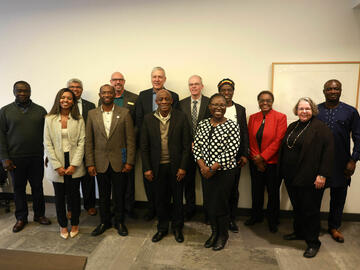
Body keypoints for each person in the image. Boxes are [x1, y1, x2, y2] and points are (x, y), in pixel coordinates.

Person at [279, 97, 334, 258]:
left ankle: (313, 243)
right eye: (301, 109)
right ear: (296, 111)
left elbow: (329, 153)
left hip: (310, 178)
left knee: (310, 211)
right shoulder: (292, 126)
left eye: (307, 109)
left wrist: (322, 175)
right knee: (298, 208)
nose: (304, 111)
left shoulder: (321, 128)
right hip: (292, 177)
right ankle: (299, 232)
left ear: (313, 110)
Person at [0, 81, 51, 233]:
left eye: (25, 91)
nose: (22, 93)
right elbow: (1, 136)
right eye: (19, 91)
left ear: (30, 91)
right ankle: (21, 218)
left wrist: (47, 155)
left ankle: (39, 215)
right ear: (14, 91)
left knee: (37, 187)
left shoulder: (40, 110)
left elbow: (47, 136)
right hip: (15, 159)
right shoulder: (5, 111)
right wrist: (4, 158)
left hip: (36, 157)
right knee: (19, 189)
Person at [85, 84, 136, 237]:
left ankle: (119, 222)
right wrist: (90, 163)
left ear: (114, 94)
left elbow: (130, 140)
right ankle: (104, 222)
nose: (107, 95)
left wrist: (129, 162)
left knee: (119, 194)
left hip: (119, 162)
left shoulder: (125, 113)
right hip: (100, 162)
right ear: (100, 94)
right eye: (104, 92)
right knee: (103, 195)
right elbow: (89, 141)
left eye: (110, 92)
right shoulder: (92, 114)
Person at [141, 89, 190, 243]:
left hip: (176, 166)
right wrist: (147, 168)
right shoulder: (148, 118)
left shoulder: (181, 117)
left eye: (166, 99)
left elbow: (186, 145)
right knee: (160, 199)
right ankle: (162, 228)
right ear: (156, 101)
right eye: (160, 99)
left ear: (171, 101)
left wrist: (183, 167)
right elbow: (144, 147)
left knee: (177, 198)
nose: (163, 102)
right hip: (157, 167)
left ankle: (177, 228)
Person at [193, 93, 240, 251]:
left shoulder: (232, 125)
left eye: (222, 104)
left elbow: (231, 151)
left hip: (224, 172)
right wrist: (202, 167)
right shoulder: (203, 123)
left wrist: (212, 168)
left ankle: (223, 235)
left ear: (226, 107)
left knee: (221, 204)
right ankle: (214, 233)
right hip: (205, 171)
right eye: (215, 104)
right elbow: (197, 147)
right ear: (209, 107)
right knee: (209, 203)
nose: (218, 107)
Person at [317, 79, 360, 243]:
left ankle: (334, 227)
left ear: (340, 90)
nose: (333, 91)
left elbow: (358, 136)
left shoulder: (350, 111)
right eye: (329, 89)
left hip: (341, 163)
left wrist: (354, 159)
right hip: (318, 163)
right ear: (324, 91)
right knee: (314, 196)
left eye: (336, 89)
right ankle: (313, 226)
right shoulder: (317, 110)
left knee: (338, 197)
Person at [136, 67, 180, 221]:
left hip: (168, 149)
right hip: (149, 146)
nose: (157, 79)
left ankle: (167, 213)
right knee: (149, 180)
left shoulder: (174, 96)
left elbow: (177, 121)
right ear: (151, 78)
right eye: (154, 76)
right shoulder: (142, 95)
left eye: (160, 77)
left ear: (164, 79)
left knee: (168, 186)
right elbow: (139, 120)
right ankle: (152, 208)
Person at [44, 88, 85, 239]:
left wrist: (74, 164)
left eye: (69, 98)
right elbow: (47, 143)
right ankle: (62, 225)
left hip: (74, 162)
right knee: (59, 197)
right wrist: (57, 166)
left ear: (73, 101)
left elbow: (82, 142)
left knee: (74, 196)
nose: (65, 100)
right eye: (62, 97)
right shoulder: (49, 119)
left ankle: (75, 224)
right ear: (58, 99)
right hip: (57, 162)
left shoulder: (79, 119)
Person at [245, 90, 287, 232]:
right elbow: (250, 139)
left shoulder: (281, 117)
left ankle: (272, 219)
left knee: (273, 192)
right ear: (258, 102)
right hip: (255, 162)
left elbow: (278, 140)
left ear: (272, 101)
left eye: (268, 100)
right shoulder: (253, 117)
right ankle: (255, 216)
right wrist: (257, 159)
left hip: (272, 163)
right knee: (256, 190)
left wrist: (263, 157)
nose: (265, 102)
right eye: (262, 100)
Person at [217, 78, 249, 233]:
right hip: (215, 157)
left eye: (229, 90)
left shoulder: (240, 109)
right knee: (218, 189)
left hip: (234, 157)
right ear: (219, 92)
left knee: (232, 189)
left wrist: (244, 154)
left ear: (233, 91)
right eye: (223, 90)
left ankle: (231, 219)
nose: (227, 93)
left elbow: (244, 132)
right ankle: (215, 217)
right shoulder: (213, 107)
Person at [107, 72, 138, 219]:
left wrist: (130, 138)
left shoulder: (134, 98)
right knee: (113, 178)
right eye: (115, 80)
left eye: (120, 79)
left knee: (128, 177)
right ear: (111, 82)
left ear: (124, 82)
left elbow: (138, 122)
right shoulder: (105, 99)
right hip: (111, 148)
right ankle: (116, 207)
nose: (117, 82)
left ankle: (129, 207)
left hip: (127, 146)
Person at [179, 75, 210, 221]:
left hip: (205, 150)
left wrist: (199, 142)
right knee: (188, 182)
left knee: (207, 182)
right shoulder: (181, 103)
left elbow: (213, 126)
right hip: (187, 150)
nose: (193, 87)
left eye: (196, 84)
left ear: (202, 86)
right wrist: (189, 143)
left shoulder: (210, 103)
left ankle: (208, 212)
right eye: (191, 84)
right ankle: (190, 209)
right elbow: (180, 127)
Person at [67, 78, 97, 217]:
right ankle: (71, 208)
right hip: (70, 149)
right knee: (70, 181)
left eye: (78, 87)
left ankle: (89, 205)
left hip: (87, 148)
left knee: (88, 180)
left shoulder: (90, 105)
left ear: (82, 90)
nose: (75, 89)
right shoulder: (63, 105)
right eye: (72, 87)